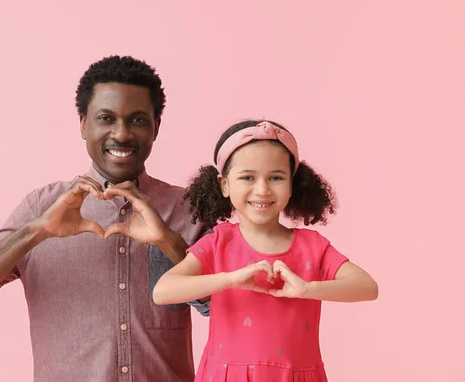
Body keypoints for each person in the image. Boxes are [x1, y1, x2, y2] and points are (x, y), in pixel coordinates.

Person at [0, 55, 211, 382]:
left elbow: (229, 307)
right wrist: (36, 231)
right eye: (106, 118)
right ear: (83, 124)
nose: (121, 134)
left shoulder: (189, 209)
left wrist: (169, 242)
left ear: (156, 127)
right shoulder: (43, 205)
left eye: (137, 120)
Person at [153, 119, 378, 381]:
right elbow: (163, 291)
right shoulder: (219, 242)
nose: (262, 189)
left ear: (292, 184)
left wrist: (307, 289)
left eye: (276, 177)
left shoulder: (312, 245)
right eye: (248, 177)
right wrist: (231, 279)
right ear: (224, 185)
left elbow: (367, 286)